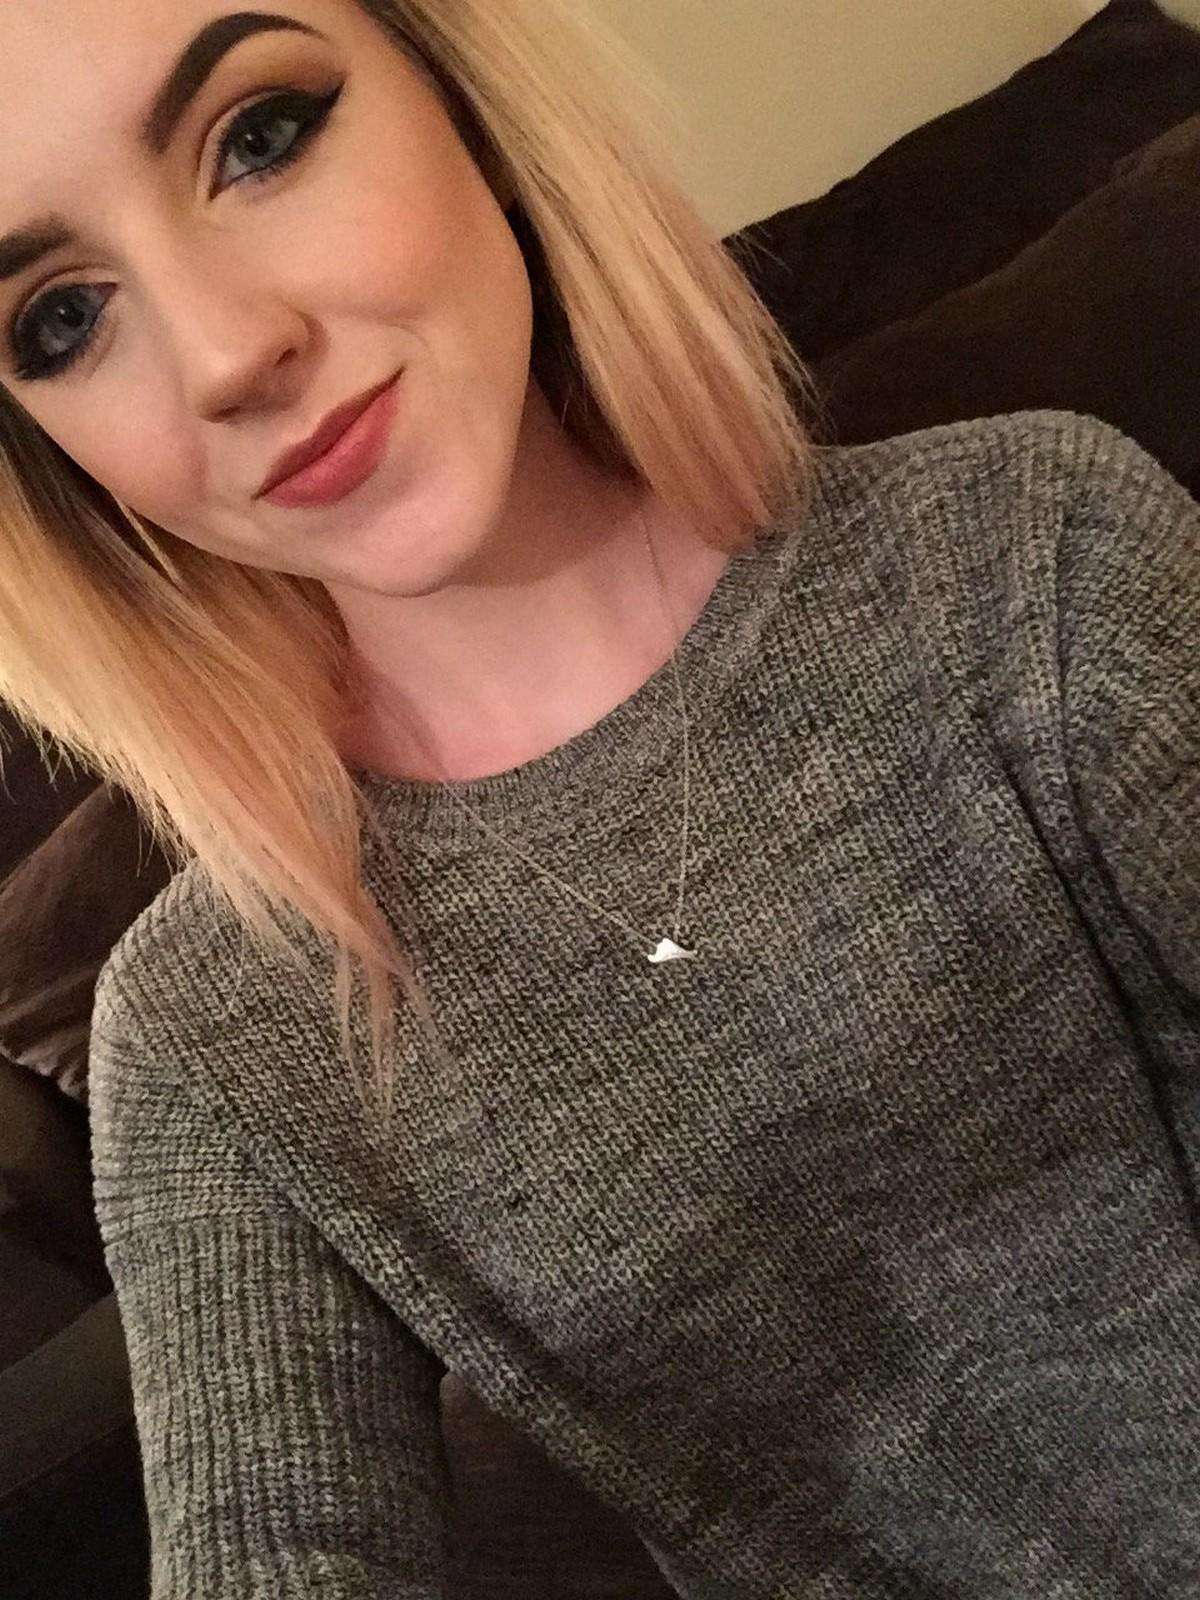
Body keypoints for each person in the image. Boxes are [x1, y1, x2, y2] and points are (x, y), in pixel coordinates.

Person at [0, 1, 1197, 1596]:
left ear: (462, 93)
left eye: (261, 137)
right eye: (60, 321)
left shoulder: (1032, 554)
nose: (226, 353)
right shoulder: (211, 1036)